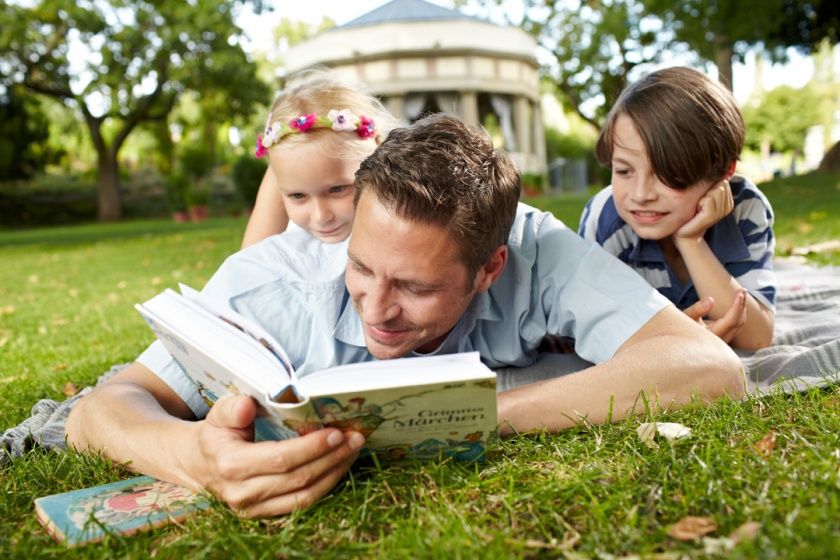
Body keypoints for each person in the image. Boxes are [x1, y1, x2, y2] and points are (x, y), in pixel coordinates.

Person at [66, 114, 745, 518]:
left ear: (490, 269)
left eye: (416, 287)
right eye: (361, 267)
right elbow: (100, 410)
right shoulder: (268, 284)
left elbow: (708, 366)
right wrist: (194, 459)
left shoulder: (538, 248)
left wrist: (465, 413)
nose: (378, 308)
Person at [578, 66, 776, 350]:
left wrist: (691, 241)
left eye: (667, 174)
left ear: (724, 172)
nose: (641, 195)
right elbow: (590, 331)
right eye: (623, 171)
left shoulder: (745, 208)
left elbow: (756, 338)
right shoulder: (606, 221)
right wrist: (680, 335)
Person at [241, 74, 397, 248]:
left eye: (337, 189)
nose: (320, 217)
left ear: (377, 161)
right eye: (297, 195)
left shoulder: (402, 226)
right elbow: (250, 258)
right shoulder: (289, 251)